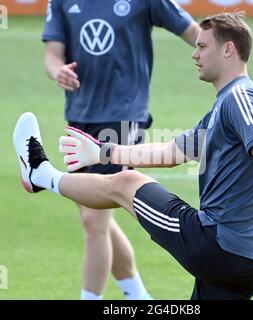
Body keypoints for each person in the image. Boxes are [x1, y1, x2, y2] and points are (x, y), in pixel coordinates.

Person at [15, 12, 253, 300]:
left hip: (217, 244)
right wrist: (103, 151)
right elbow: (170, 151)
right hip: (248, 265)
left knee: (127, 182)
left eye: (202, 46)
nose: (194, 54)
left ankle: (40, 174)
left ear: (228, 50)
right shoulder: (222, 109)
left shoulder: (241, 97)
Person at [41, 0, 199, 300]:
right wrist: (58, 71)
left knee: (93, 220)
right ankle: (139, 297)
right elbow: (52, 55)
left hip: (123, 116)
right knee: (95, 215)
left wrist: (228, 54)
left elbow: (192, 31)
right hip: (79, 116)